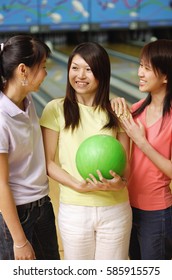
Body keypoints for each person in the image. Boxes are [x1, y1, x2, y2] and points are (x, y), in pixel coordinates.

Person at [40, 42, 132, 260]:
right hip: (74, 209)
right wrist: (77, 185)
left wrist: (122, 181)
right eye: (75, 67)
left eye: (89, 69)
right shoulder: (55, 109)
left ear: (102, 73)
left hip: (115, 209)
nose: (80, 75)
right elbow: (48, 162)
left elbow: (127, 163)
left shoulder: (117, 111)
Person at [0, 35, 60, 260]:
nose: (45, 73)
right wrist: (19, 240)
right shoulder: (2, 119)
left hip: (43, 205)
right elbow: (0, 184)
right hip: (17, 215)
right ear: (23, 70)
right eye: (43, 67)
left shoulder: (27, 100)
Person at [111, 39, 172, 260]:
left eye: (147, 68)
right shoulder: (134, 111)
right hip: (127, 207)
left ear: (165, 76)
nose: (140, 73)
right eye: (140, 65)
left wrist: (142, 142)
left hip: (158, 214)